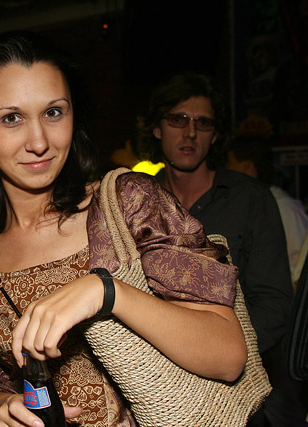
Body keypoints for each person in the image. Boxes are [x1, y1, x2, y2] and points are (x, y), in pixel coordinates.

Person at [0, 33, 247, 427]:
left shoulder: (127, 204)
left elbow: (228, 357)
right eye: (11, 118)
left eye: (54, 113)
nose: (39, 141)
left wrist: (106, 291)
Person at [137, 72, 299, 426]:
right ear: (157, 129)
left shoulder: (250, 199)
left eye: (203, 123)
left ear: (215, 134)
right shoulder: (137, 202)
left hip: (238, 394)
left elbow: (275, 304)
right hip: (156, 392)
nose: (190, 133)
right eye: (178, 120)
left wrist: (210, 350)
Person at [225, 133, 308, 286]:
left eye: (229, 164)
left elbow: (300, 271)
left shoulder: (285, 208)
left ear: (247, 167)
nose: (225, 171)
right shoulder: (242, 206)